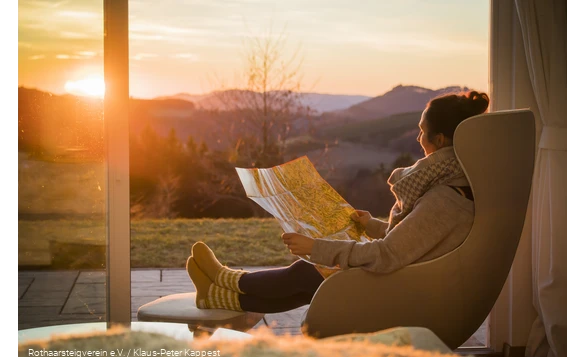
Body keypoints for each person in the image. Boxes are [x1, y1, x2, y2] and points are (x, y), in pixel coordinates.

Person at [186, 90, 490, 314]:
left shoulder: (447, 198)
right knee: (310, 281)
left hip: (407, 291)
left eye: (422, 132)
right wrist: (370, 224)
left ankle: (224, 279)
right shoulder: (450, 186)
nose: (417, 139)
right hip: (409, 279)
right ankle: (214, 296)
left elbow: (388, 255)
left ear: (439, 141)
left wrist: (314, 247)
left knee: (311, 272)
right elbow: (416, 241)